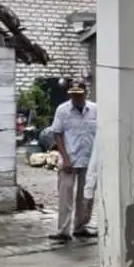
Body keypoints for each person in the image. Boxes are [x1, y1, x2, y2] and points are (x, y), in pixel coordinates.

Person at [48, 79, 98, 243]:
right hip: (69, 158)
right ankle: (63, 230)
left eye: (79, 94)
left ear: (85, 93)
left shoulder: (95, 110)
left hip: (89, 159)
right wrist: (66, 158)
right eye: (73, 95)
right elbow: (57, 134)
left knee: (86, 196)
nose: (76, 97)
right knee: (65, 195)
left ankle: (80, 227)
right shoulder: (63, 110)